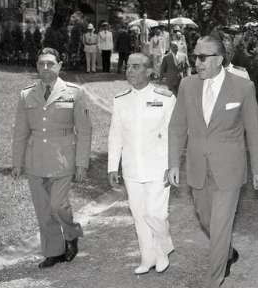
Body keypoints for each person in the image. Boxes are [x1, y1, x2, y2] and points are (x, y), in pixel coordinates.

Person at [168, 35, 258, 288]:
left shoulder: (243, 87)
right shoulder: (187, 86)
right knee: (206, 220)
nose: (196, 62)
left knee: (220, 227)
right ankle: (227, 252)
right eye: (195, 56)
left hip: (229, 170)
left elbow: (254, 131)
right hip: (198, 167)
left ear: (219, 59)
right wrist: (173, 163)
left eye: (203, 57)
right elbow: (177, 127)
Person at [11, 48, 92, 268]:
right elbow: (20, 131)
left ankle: (71, 233)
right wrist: (17, 162)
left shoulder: (75, 93)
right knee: (43, 210)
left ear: (60, 65)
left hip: (63, 159)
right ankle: (54, 251)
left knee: (57, 205)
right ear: (37, 67)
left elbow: (85, 131)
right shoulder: (26, 95)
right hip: (36, 160)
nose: (45, 68)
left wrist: (81, 163)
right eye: (41, 64)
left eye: (50, 63)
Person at [108, 53, 176, 275]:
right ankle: (148, 258)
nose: (129, 70)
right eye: (128, 66)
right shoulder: (120, 99)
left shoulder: (165, 98)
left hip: (159, 167)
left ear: (149, 71)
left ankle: (163, 250)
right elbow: (115, 134)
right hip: (132, 167)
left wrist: (172, 165)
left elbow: (173, 135)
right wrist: (112, 166)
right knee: (138, 215)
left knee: (156, 214)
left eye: (136, 67)